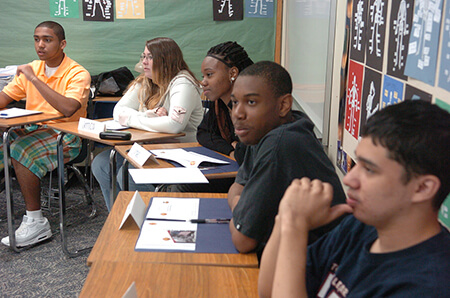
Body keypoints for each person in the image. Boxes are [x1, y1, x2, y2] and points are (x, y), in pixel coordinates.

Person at [258, 100, 450, 297]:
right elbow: (269, 290)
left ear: (422, 188)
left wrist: (295, 227)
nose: (349, 179)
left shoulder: (429, 285)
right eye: (357, 163)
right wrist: (286, 217)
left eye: (369, 169)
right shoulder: (360, 227)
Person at [228, 61, 346, 256]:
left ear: (283, 105)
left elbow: (243, 240)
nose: (238, 113)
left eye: (251, 102)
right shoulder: (263, 130)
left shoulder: (282, 142)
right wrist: (241, 206)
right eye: (234, 102)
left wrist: (238, 206)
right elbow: (238, 186)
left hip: (321, 269)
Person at [0, 21, 91, 247]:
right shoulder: (34, 67)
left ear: (62, 44)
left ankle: (36, 222)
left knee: (21, 149)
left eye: (47, 40)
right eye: (36, 39)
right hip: (34, 129)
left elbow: (68, 108)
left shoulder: (77, 72)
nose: (40, 45)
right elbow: (4, 98)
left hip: (65, 136)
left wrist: (33, 79)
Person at [91, 37, 203, 211]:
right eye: (143, 56)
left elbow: (174, 125)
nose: (143, 62)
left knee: (127, 175)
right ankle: (120, 220)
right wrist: (148, 117)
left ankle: (149, 221)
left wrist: (134, 119)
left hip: (181, 153)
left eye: (150, 57)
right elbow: (118, 111)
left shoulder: (183, 82)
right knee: (101, 164)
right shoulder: (147, 80)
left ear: (165, 59)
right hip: (149, 149)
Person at [173, 41, 253, 193]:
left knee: (181, 186)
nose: (203, 82)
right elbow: (204, 133)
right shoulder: (220, 105)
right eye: (203, 76)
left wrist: (238, 149)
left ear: (233, 73)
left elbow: (246, 156)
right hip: (237, 174)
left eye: (209, 75)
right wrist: (231, 149)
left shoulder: (251, 108)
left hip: (251, 182)